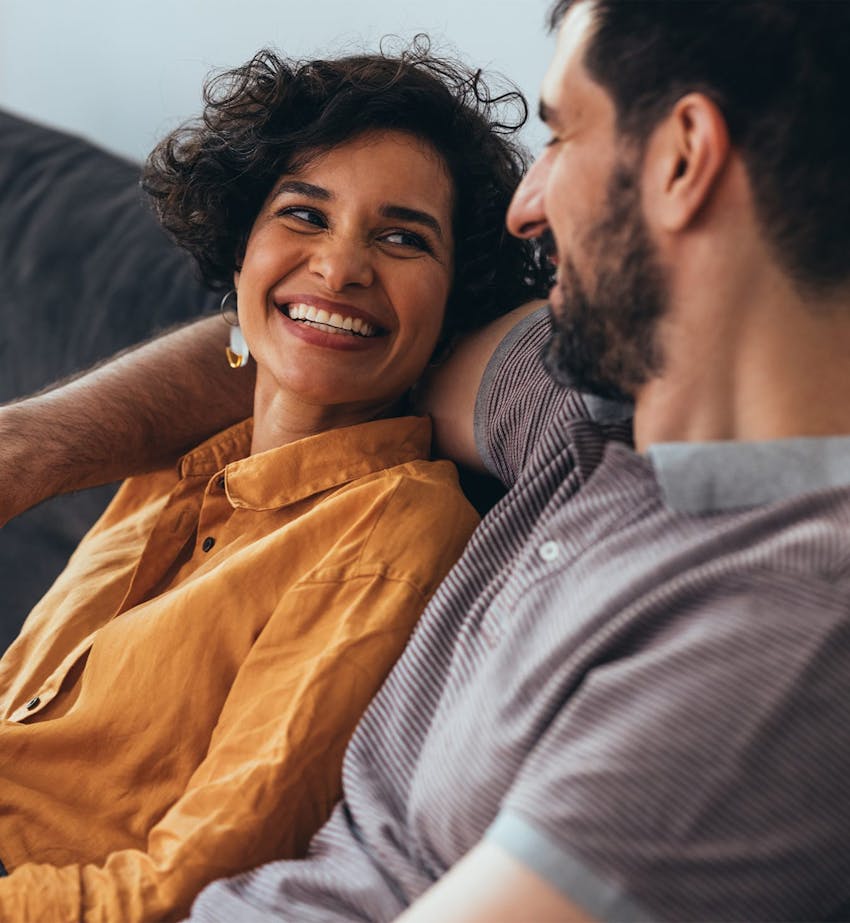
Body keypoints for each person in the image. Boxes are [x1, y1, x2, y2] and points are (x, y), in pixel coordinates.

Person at [2, 0, 850, 919]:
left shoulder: (777, 629)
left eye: (561, 135)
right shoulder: (575, 407)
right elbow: (317, 342)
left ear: (684, 157)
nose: (530, 208)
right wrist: (28, 447)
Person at [0, 44, 550, 921]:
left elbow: (186, 888)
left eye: (402, 236)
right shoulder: (177, 462)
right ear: (242, 245)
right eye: (304, 215)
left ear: (457, 299)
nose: (339, 268)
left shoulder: (393, 533)